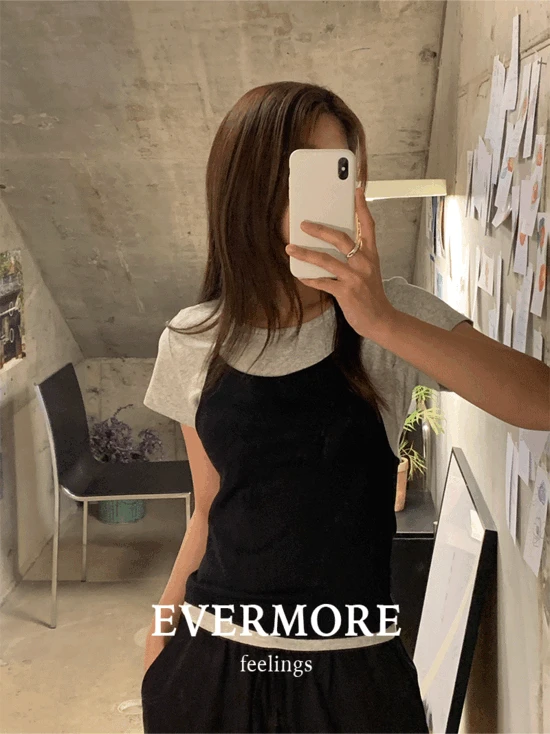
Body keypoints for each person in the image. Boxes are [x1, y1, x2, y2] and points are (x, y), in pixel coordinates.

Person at [140, 82, 550, 733]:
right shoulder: (192, 338)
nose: (341, 196)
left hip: (353, 673)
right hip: (213, 663)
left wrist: (380, 319)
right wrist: (160, 643)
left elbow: (539, 401)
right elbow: (209, 508)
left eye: (347, 173)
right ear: (250, 189)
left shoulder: (392, 315)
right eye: (314, 173)